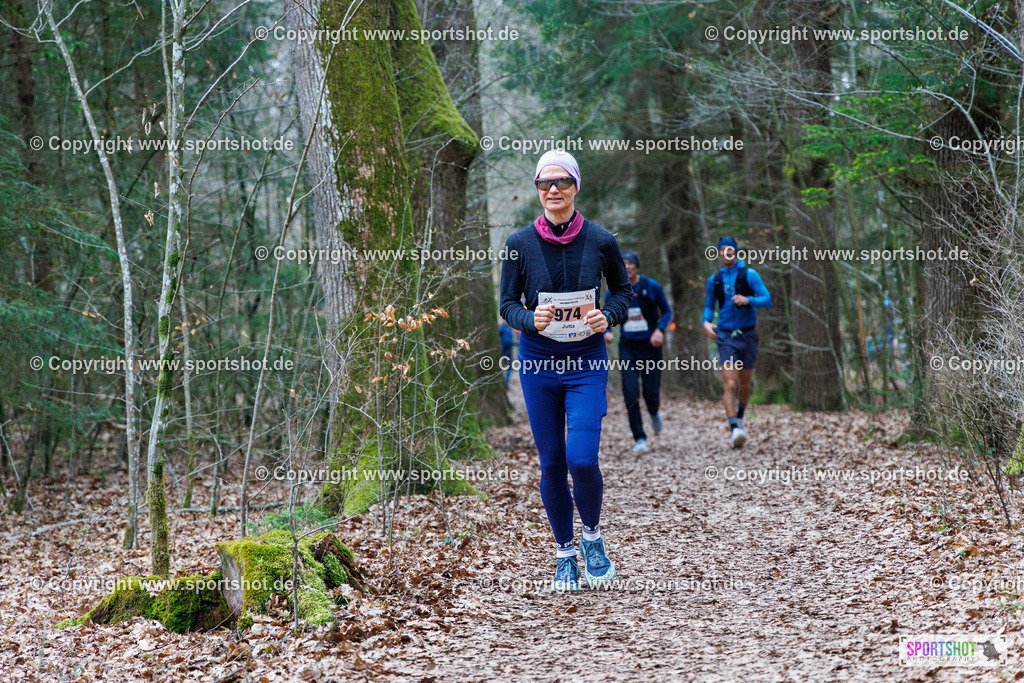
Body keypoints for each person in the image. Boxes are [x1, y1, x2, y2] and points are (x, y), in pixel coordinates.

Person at [499, 149, 632, 592]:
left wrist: (607, 316)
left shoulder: (601, 240)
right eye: (544, 184)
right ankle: (564, 554)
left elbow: (623, 291)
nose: (553, 190)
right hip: (538, 362)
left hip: (586, 362)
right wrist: (527, 319)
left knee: (581, 457)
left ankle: (592, 539)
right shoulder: (518, 244)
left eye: (562, 182)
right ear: (537, 189)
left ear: (576, 186)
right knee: (552, 463)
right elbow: (506, 305)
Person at [702, 237, 772, 448]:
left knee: (745, 383)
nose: (726, 253)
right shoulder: (714, 280)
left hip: (747, 335)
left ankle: (740, 415)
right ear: (718, 254)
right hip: (725, 336)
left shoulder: (749, 275)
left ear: (736, 252)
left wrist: (748, 300)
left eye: (730, 250)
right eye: (722, 250)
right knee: (730, 383)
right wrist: (706, 322)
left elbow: (767, 299)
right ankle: (735, 429)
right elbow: (708, 306)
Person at [603, 251, 672, 453]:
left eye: (631, 263)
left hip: (650, 347)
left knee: (651, 394)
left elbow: (667, 311)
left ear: (637, 266)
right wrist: (607, 331)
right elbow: (605, 313)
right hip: (628, 348)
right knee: (630, 393)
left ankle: (653, 412)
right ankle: (639, 438)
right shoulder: (614, 291)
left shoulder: (651, 286)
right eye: (623, 263)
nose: (627, 267)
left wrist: (660, 330)